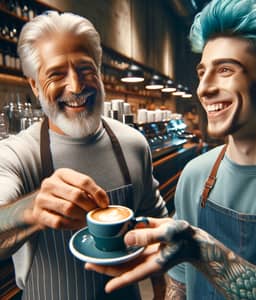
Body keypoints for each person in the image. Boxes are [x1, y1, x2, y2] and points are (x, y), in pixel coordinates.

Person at [85, 0, 256, 299]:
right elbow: (180, 285)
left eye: (225, 69)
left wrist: (202, 251)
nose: (204, 88)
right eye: (202, 72)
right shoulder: (196, 174)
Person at [0, 11, 167, 300]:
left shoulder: (133, 143)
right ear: (34, 85)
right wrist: (32, 209)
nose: (76, 87)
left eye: (86, 69)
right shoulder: (16, 154)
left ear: (100, 71)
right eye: (56, 74)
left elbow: (160, 237)